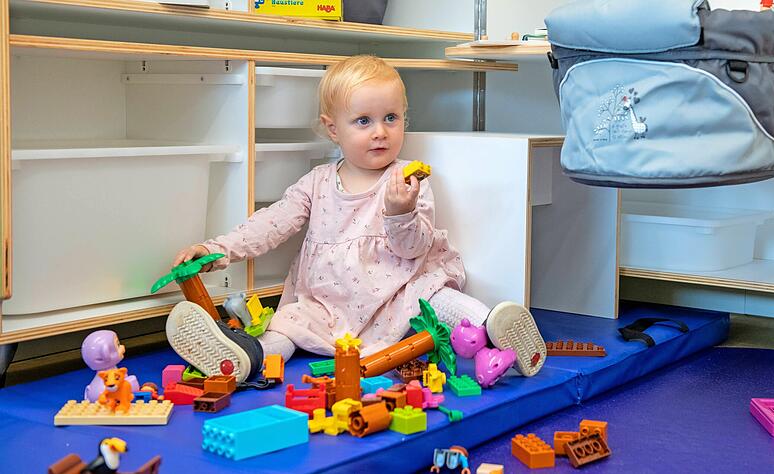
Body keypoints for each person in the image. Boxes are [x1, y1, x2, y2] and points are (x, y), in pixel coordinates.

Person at [165, 55, 546, 382]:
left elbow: (414, 248)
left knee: (440, 301)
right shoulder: (316, 183)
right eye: (363, 121)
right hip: (328, 300)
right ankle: (247, 356)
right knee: (289, 324)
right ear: (334, 129)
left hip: (400, 290)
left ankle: (496, 326)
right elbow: (271, 223)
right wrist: (218, 249)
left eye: (391, 118)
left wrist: (401, 211)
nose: (380, 132)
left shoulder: (407, 179)